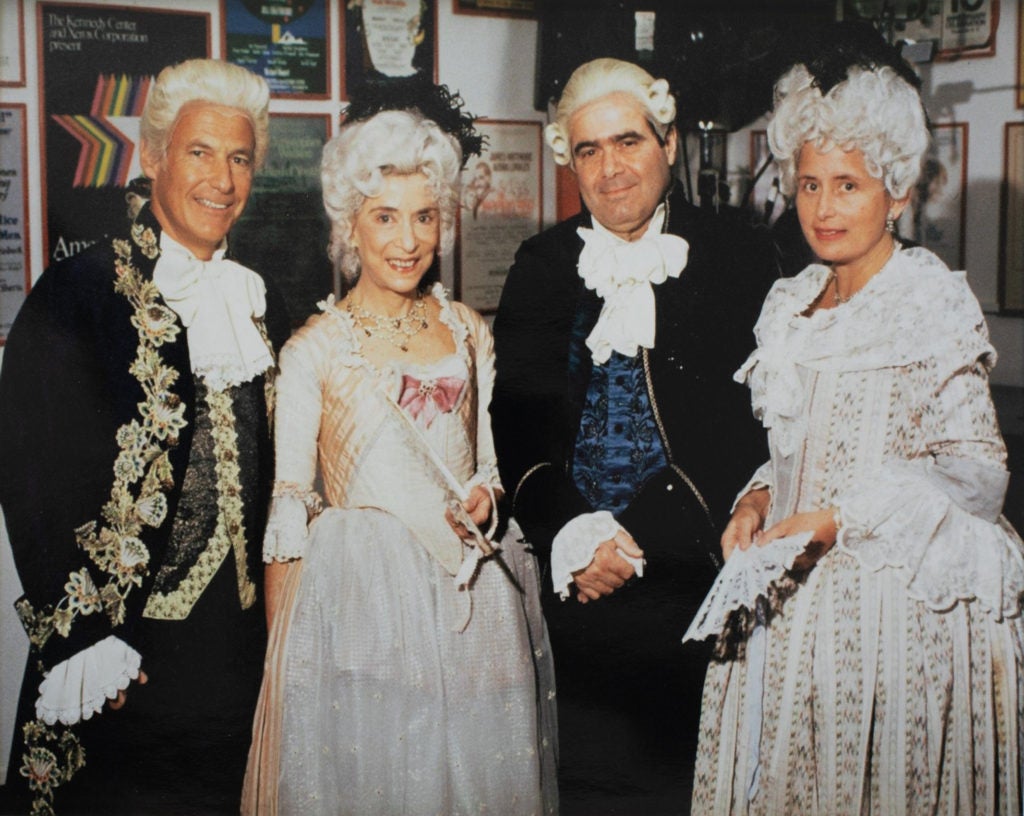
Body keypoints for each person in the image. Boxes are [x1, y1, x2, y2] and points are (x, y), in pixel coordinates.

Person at [691, 40, 1024, 816]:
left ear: (896, 191)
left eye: (849, 184)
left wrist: (841, 520)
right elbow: (792, 448)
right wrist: (756, 500)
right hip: (786, 596)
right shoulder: (791, 301)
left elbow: (978, 472)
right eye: (809, 183)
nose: (824, 207)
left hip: (892, 605)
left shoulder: (929, 298)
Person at [241, 86, 558, 816]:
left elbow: (488, 467)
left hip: (472, 609)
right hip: (364, 622)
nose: (407, 240)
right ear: (349, 227)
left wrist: (488, 495)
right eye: (384, 218)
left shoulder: (469, 329)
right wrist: (285, 672)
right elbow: (288, 519)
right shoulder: (312, 351)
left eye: (423, 217)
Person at [0, 59, 290, 814]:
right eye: (200, 153)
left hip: (236, 658)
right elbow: (30, 469)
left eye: (239, 159)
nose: (221, 181)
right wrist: (84, 640)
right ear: (154, 157)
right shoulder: (79, 291)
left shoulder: (262, 301)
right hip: (122, 657)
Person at [490, 57, 777, 812]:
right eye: (589, 150)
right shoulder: (542, 266)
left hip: (693, 575)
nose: (611, 169)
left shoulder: (735, 256)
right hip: (572, 581)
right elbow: (515, 425)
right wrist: (574, 537)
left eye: (629, 142)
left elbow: (749, 425)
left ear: (670, 143)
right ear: (570, 160)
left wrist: (640, 537)